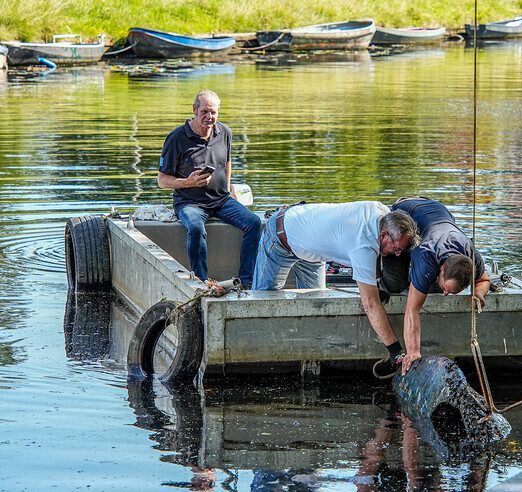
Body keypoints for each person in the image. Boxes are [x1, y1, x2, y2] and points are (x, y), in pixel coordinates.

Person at [252, 201, 420, 375]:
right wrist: (395, 351)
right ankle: (258, 359)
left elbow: (375, 251)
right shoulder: (362, 245)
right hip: (281, 237)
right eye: (397, 248)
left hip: (312, 251)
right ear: (384, 234)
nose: (398, 254)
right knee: (260, 304)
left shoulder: (382, 212)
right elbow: (370, 304)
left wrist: (376, 283)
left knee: (316, 310)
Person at [157, 90, 261, 288]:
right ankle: (201, 283)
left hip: (221, 200)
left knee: (254, 223)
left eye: (213, 112)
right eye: (204, 112)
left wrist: (229, 190)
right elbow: (162, 180)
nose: (209, 117)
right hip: (189, 202)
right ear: (194, 110)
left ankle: (247, 281)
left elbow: (227, 162)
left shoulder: (225, 132)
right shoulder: (177, 138)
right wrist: (188, 182)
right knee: (196, 228)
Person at [379, 198, 492, 375]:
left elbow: (484, 280)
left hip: (437, 212)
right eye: (446, 288)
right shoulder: (427, 257)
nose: (445, 294)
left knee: (426, 285)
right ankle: (387, 279)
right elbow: (412, 309)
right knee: (396, 284)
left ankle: (417, 279)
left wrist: (478, 293)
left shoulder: (473, 257)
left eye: (451, 292)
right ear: (441, 269)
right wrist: (413, 352)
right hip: (405, 214)